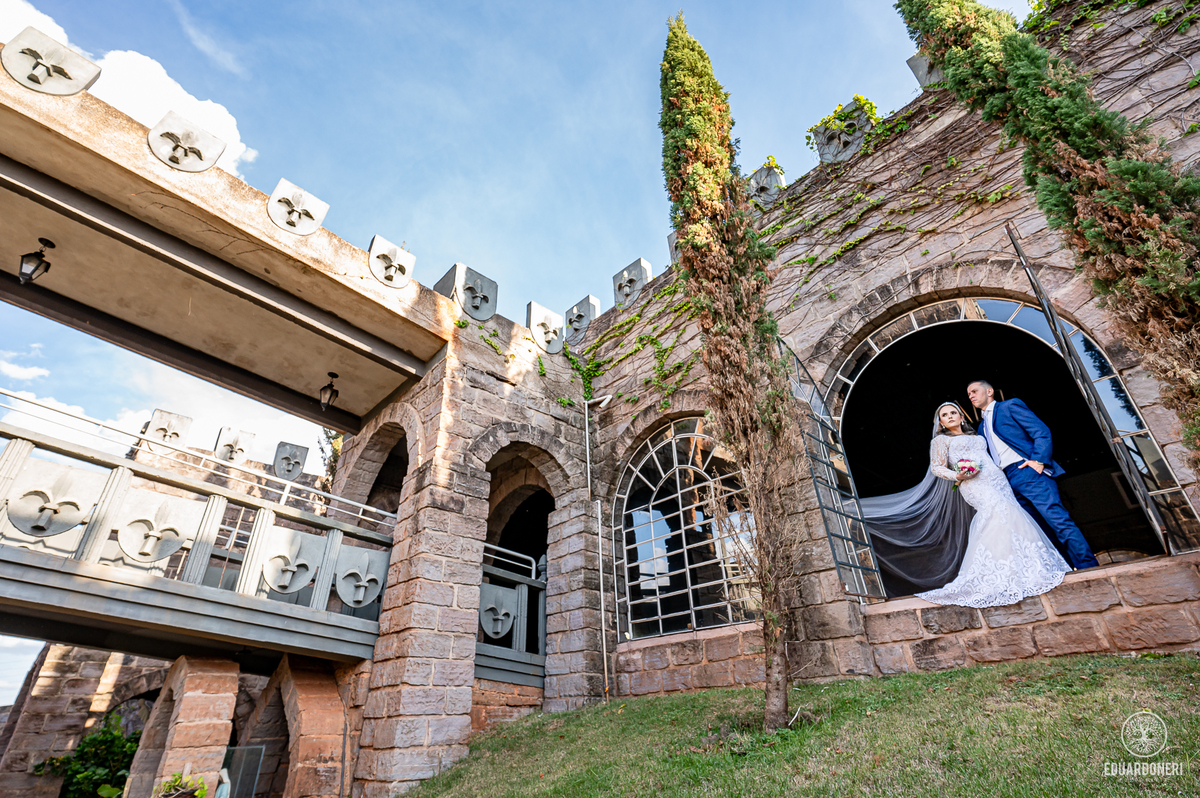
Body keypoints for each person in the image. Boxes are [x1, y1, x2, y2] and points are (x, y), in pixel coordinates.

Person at [913, 402, 1070, 608]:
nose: (950, 416)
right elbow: (936, 467)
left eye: (953, 412)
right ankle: (997, 573)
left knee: (1013, 517)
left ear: (962, 417)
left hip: (998, 481)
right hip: (974, 484)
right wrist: (957, 475)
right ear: (940, 422)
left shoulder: (978, 437)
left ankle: (1025, 568)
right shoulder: (940, 441)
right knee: (995, 514)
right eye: (945, 415)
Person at [967, 380, 1099, 570]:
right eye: (969, 394)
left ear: (989, 391)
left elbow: (1041, 431)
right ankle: (1066, 569)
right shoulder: (981, 428)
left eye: (974, 391)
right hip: (1007, 482)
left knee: (1058, 520)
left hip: (1028, 472)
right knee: (1039, 530)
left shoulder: (1009, 406)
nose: (971, 396)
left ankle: (1088, 567)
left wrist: (1038, 460)